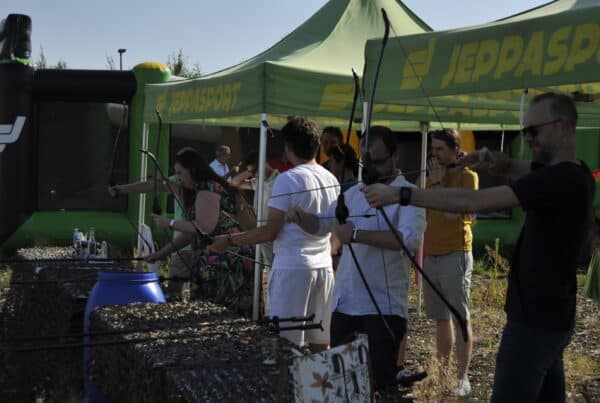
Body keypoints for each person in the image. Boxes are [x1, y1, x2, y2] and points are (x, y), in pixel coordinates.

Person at [363, 92, 596, 402]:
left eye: (533, 131)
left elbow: (473, 201)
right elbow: (522, 166)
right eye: (524, 131)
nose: (528, 138)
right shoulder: (574, 172)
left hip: (534, 321)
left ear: (563, 127)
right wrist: (498, 162)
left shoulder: (561, 179)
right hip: (549, 318)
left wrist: (402, 195)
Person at [286, 126, 426, 387]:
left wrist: (357, 234)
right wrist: (301, 217)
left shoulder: (408, 195)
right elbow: (321, 223)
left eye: (379, 161)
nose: (372, 167)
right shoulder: (353, 194)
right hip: (345, 304)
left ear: (395, 156)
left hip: (383, 307)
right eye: (367, 162)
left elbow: (408, 241)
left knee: (378, 385)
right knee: (344, 386)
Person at [209, 117, 339, 352]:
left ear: (288, 147)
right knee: (321, 346)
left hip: (292, 270)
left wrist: (228, 240)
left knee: (285, 347)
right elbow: (334, 232)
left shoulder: (287, 179)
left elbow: (270, 231)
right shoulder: (331, 178)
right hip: (324, 269)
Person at [146, 147, 254, 312]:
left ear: (193, 170)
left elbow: (204, 227)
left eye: (181, 173)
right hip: (217, 260)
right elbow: (192, 233)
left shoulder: (208, 188)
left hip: (226, 263)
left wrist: (170, 223)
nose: (179, 178)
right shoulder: (200, 190)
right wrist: (161, 254)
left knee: (220, 315)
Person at [420, 128, 478, 396]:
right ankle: (442, 374)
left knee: (459, 317)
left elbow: (452, 214)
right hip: (431, 253)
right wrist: (433, 181)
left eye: (440, 149)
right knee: (440, 319)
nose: (434, 154)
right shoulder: (432, 176)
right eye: (432, 149)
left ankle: (462, 377)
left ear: (456, 149)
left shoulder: (468, 177)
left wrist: (440, 184)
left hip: (456, 253)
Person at [108, 174, 193, 298]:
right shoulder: (176, 179)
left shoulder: (202, 186)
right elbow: (151, 186)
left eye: (180, 171)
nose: (178, 174)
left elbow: (184, 193)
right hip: (182, 246)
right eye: (177, 171)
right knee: (175, 294)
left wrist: (169, 223)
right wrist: (121, 189)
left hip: (194, 248)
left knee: (177, 294)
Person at [230, 151, 279, 267]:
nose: (254, 175)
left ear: (264, 164)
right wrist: (249, 171)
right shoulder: (258, 181)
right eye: (252, 173)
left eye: (255, 171)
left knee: (274, 267)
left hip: (276, 233)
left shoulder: (279, 180)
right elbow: (234, 183)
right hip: (261, 231)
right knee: (267, 267)